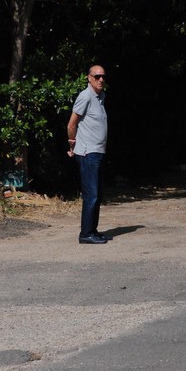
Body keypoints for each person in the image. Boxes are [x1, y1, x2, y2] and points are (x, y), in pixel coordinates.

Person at [67, 64, 112, 244]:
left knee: (98, 194)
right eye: (97, 76)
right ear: (89, 78)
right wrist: (73, 145)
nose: (101, 79)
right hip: (87, 153)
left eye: (103, 76)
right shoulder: (85, 96)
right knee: (91, 194)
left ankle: (92, 230)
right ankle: (85, 234)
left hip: (98, 152)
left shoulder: (100, 97)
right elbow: (71, 124)